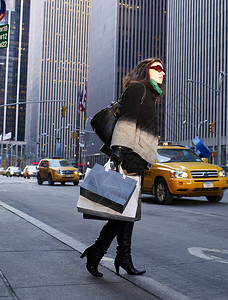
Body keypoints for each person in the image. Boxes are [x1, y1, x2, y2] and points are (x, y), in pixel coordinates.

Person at [81, 57, 165, 277]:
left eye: (163, 69)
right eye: (157, 68)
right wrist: (118, 151)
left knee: (127, 212)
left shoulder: (149, 94)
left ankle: (123, 257)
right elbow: (127, 121)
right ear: (145, 71)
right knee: (126, 212)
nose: (162, 71)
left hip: (137, 156)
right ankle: (97, 252)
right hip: (128, 156)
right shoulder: (138, 89)